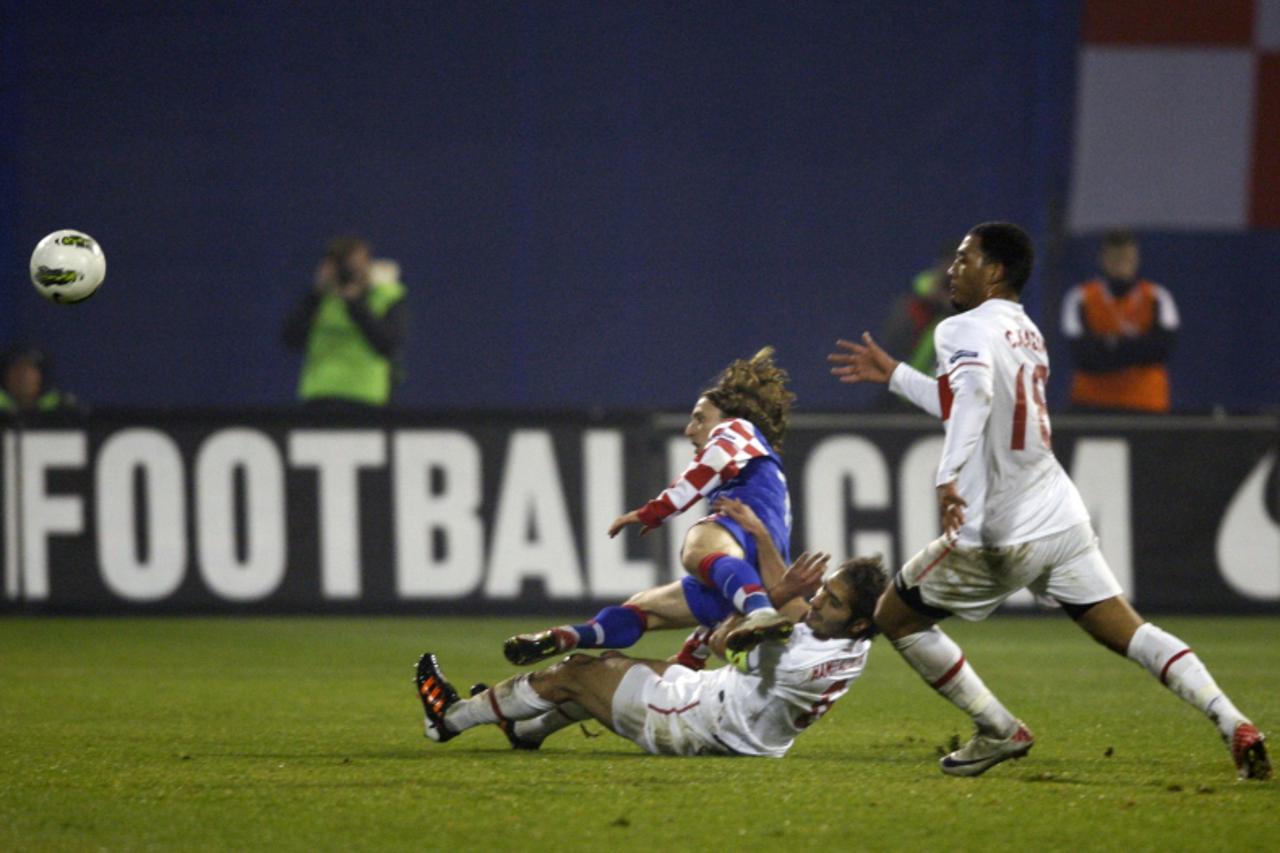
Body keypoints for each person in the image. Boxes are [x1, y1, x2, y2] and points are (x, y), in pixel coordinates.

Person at [827, 221, 1269, 780]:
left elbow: (976, 395)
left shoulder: (959, 328)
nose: (953, 269)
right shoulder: (1027, 333)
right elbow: (962, 401)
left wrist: (948, 475)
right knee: (1132, 632)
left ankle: (998, 730)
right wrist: (895, 375)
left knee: (895, 615)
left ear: (996, 272)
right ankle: (1234, 723)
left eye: (966, 258)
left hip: (1001, 529)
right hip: (1058, 514)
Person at [416, 554, 886, 757]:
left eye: (832, 601)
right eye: (824, 591)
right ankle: (525, 730)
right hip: (736, 718)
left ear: (859, 621)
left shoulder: (795, 660)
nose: (818, 603)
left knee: (578, 672)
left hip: (693, 723)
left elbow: (727, 639)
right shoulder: (852, 645)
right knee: (619, 672)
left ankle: (449, 719)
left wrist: (770, 592)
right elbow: (786, 623)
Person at [502, 347, 800, 664]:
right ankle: (568, 636)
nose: (690, 430)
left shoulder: (737, 429)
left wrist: (653, 512)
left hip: (747, 539)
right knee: (643, 608)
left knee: (698, 548)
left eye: (700, 419)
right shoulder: (759, 464)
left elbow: (711, 463)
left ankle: (760, 614)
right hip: (755, 574)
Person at [280, 235, 407, 408]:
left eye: (355, 267)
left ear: (368, 266)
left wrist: (354, 303)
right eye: (342, 267)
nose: (349, 273)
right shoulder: (318, 299)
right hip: (320, 395)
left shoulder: (386, 297)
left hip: (367, 398)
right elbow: (290, 338)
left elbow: (387, 344)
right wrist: (314, 295)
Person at [1060, 230, 1179, 412]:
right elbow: (1084, 356)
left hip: (1147, 405)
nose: (1121, 264)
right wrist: (1137, 346)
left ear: (1136, 258)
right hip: (1092, 405)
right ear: (1102, 259)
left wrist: (1109, 344)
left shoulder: (1157, 297)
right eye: (1115, 258)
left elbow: (1160, 350)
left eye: (1127, 258)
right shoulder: (1080, 298)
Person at [877, 244, 954, 409]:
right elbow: (892, 341)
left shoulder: (977, 311)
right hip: (903, 393)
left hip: (948, 398)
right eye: (949, 264)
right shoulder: (914, 304)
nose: (952, 272)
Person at [0, 345, 79, 414]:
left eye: (30, 371)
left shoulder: (64, 408)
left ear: (42, 377)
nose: (23, 379)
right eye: (17, 369)